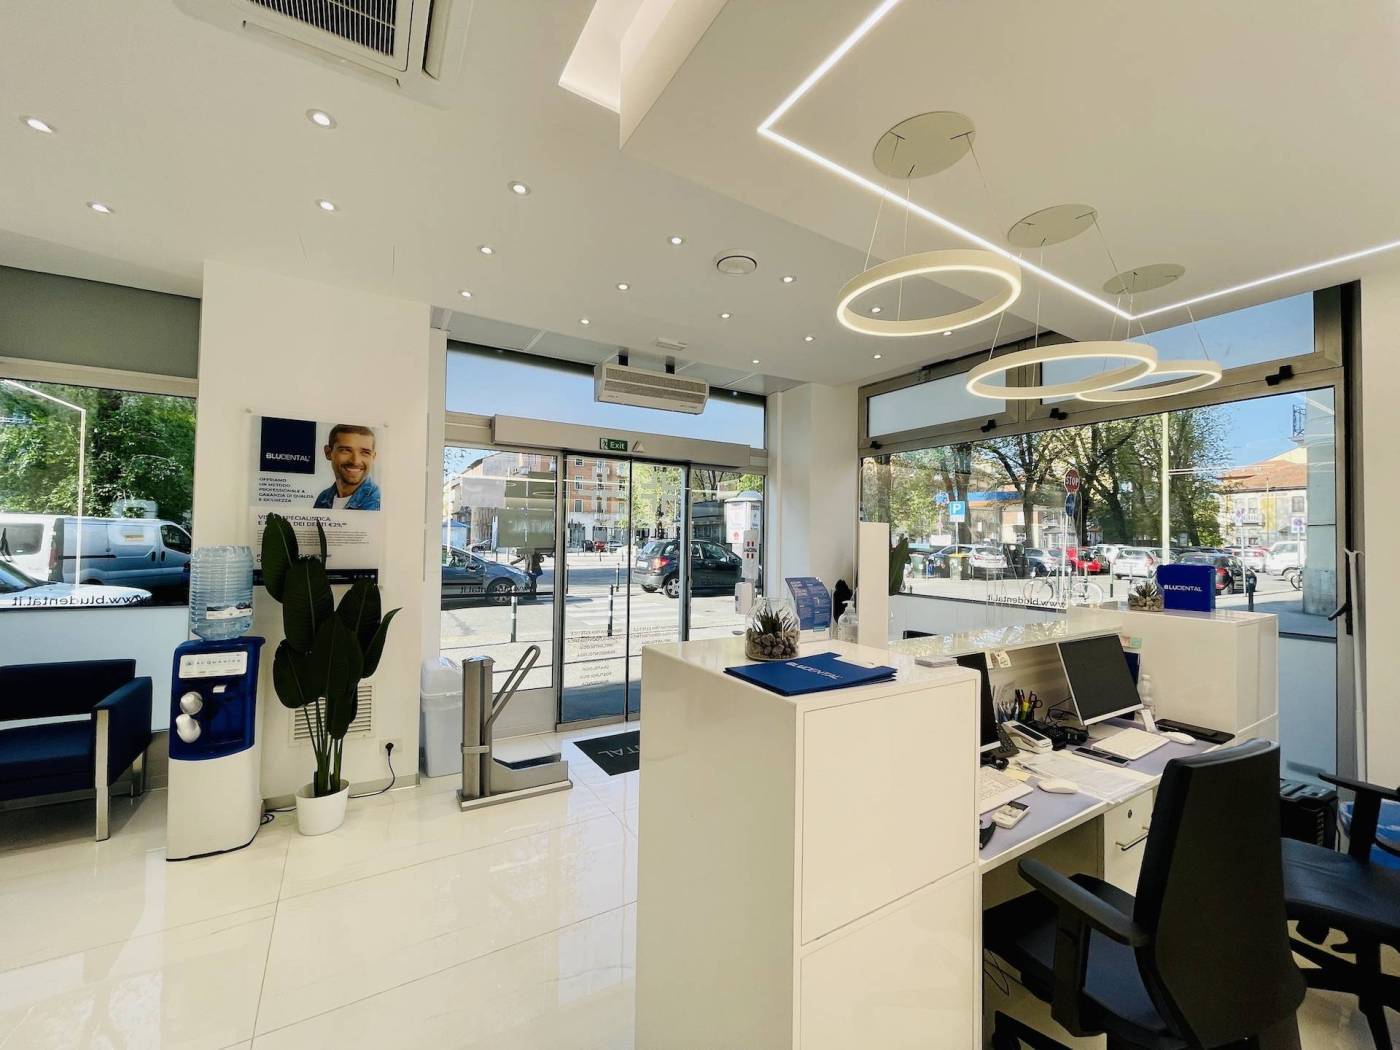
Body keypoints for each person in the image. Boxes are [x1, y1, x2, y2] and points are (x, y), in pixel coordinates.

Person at [313, 424, 381, 510]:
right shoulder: (323, 498)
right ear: (328, 453)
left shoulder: (379, 503)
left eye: (365, 452)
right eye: (345, 450)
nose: (355, 461)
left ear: (373, 457)